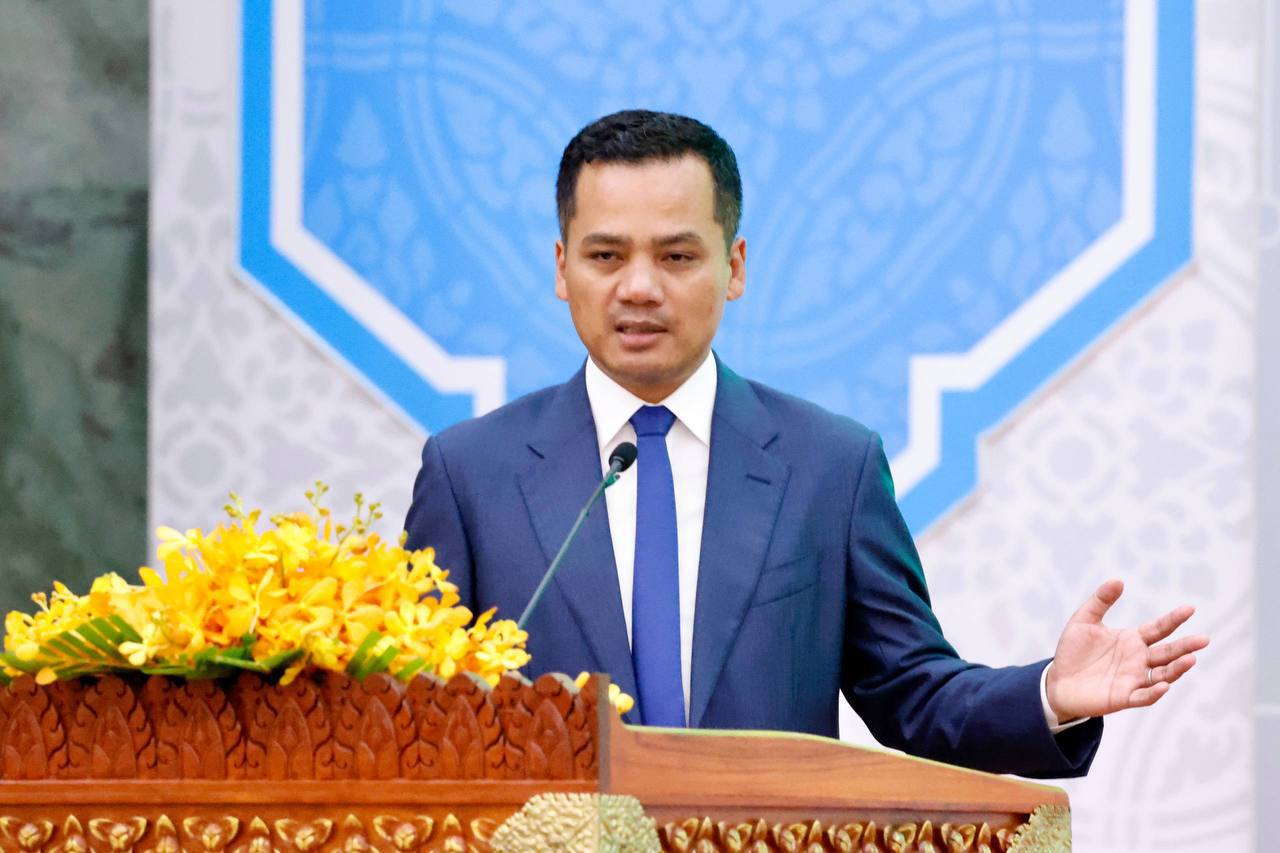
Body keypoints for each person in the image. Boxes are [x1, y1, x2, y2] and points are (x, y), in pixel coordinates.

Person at [404, 109, 1207, 778]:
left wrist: (1050, 694)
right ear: (561, 267)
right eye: (606, 256)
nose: (639, 287)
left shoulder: (830, 468)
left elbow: (913, 694)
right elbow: (410, 720)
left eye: (677, 256)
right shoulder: (470, 475)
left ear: (735, 266)